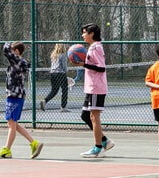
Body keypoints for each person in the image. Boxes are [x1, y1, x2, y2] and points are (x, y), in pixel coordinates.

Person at [0, 41, 43, 159]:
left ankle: (7, 150)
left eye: (13, 50)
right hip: (16, 96)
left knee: (11, 124)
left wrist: (8, 43)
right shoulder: (20, 62)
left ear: (16, 51)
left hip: (14, 96)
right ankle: (34, 143)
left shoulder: (17, 60)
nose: (11, 51)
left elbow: (6, 50)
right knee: (13, 123)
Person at [73, 23, 114, 158]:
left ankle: (98, 148)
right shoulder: (92, 47)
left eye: (84, 32)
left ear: (91, 34)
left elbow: (101, 68)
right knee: (85, 116)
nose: (82, 35)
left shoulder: (96, 47)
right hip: (91, 88)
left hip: (96, 87)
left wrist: (83, 64)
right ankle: (104, 141)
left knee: (94, 117)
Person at [40, 42, 69, 112]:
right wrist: (66, 72)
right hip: (60, 74)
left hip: (53, 74)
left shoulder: (53, 55)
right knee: (65, 90)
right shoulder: (62, 55)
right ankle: (63, 107)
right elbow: (64, 67)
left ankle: (45, 101)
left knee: (54, 90)